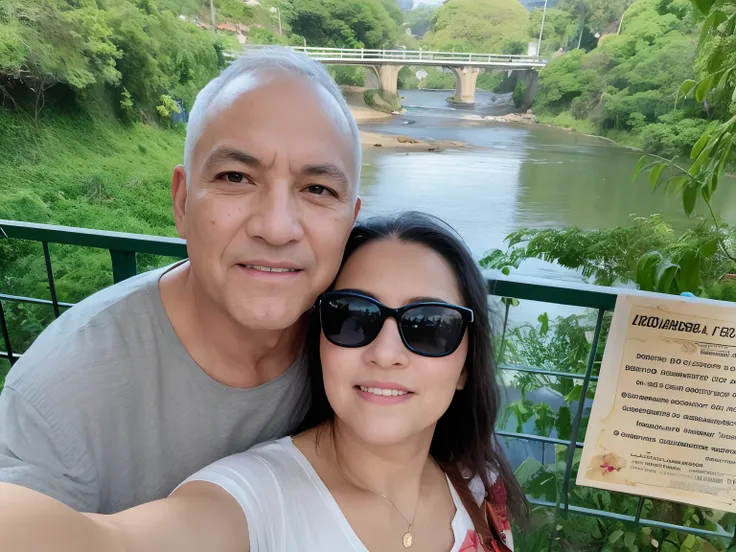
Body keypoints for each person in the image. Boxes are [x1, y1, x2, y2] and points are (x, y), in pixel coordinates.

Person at [0, 212, 528, 552]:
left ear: (465, 364)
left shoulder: (478, 478)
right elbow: (108, 541)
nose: (385, 353)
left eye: (429, 325)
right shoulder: (257, 500)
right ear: (318, 337)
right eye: (351, 316)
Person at [0, 46, 362, 513]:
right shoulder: (63, 397)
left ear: (350, 221)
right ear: (182, 201)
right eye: (236, 177)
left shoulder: (370, 345)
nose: (276, 228)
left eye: (317, 189)